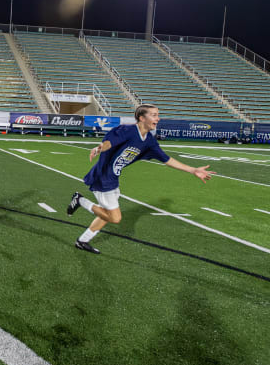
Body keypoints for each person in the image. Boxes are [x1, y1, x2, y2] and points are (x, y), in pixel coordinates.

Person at [67, 104, 216, 254]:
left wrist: (192, 170)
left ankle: (82, 241)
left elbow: (167, 159)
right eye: (154, 115)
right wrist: (99, 148)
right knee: (115, 218)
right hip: (103, 177)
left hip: (113, 178)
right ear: (141, 118)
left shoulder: (149, 141)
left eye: (158, 114)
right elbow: (108, 143)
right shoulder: (127, 130)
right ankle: (80, 200)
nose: (158, 118)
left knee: (106, 214)